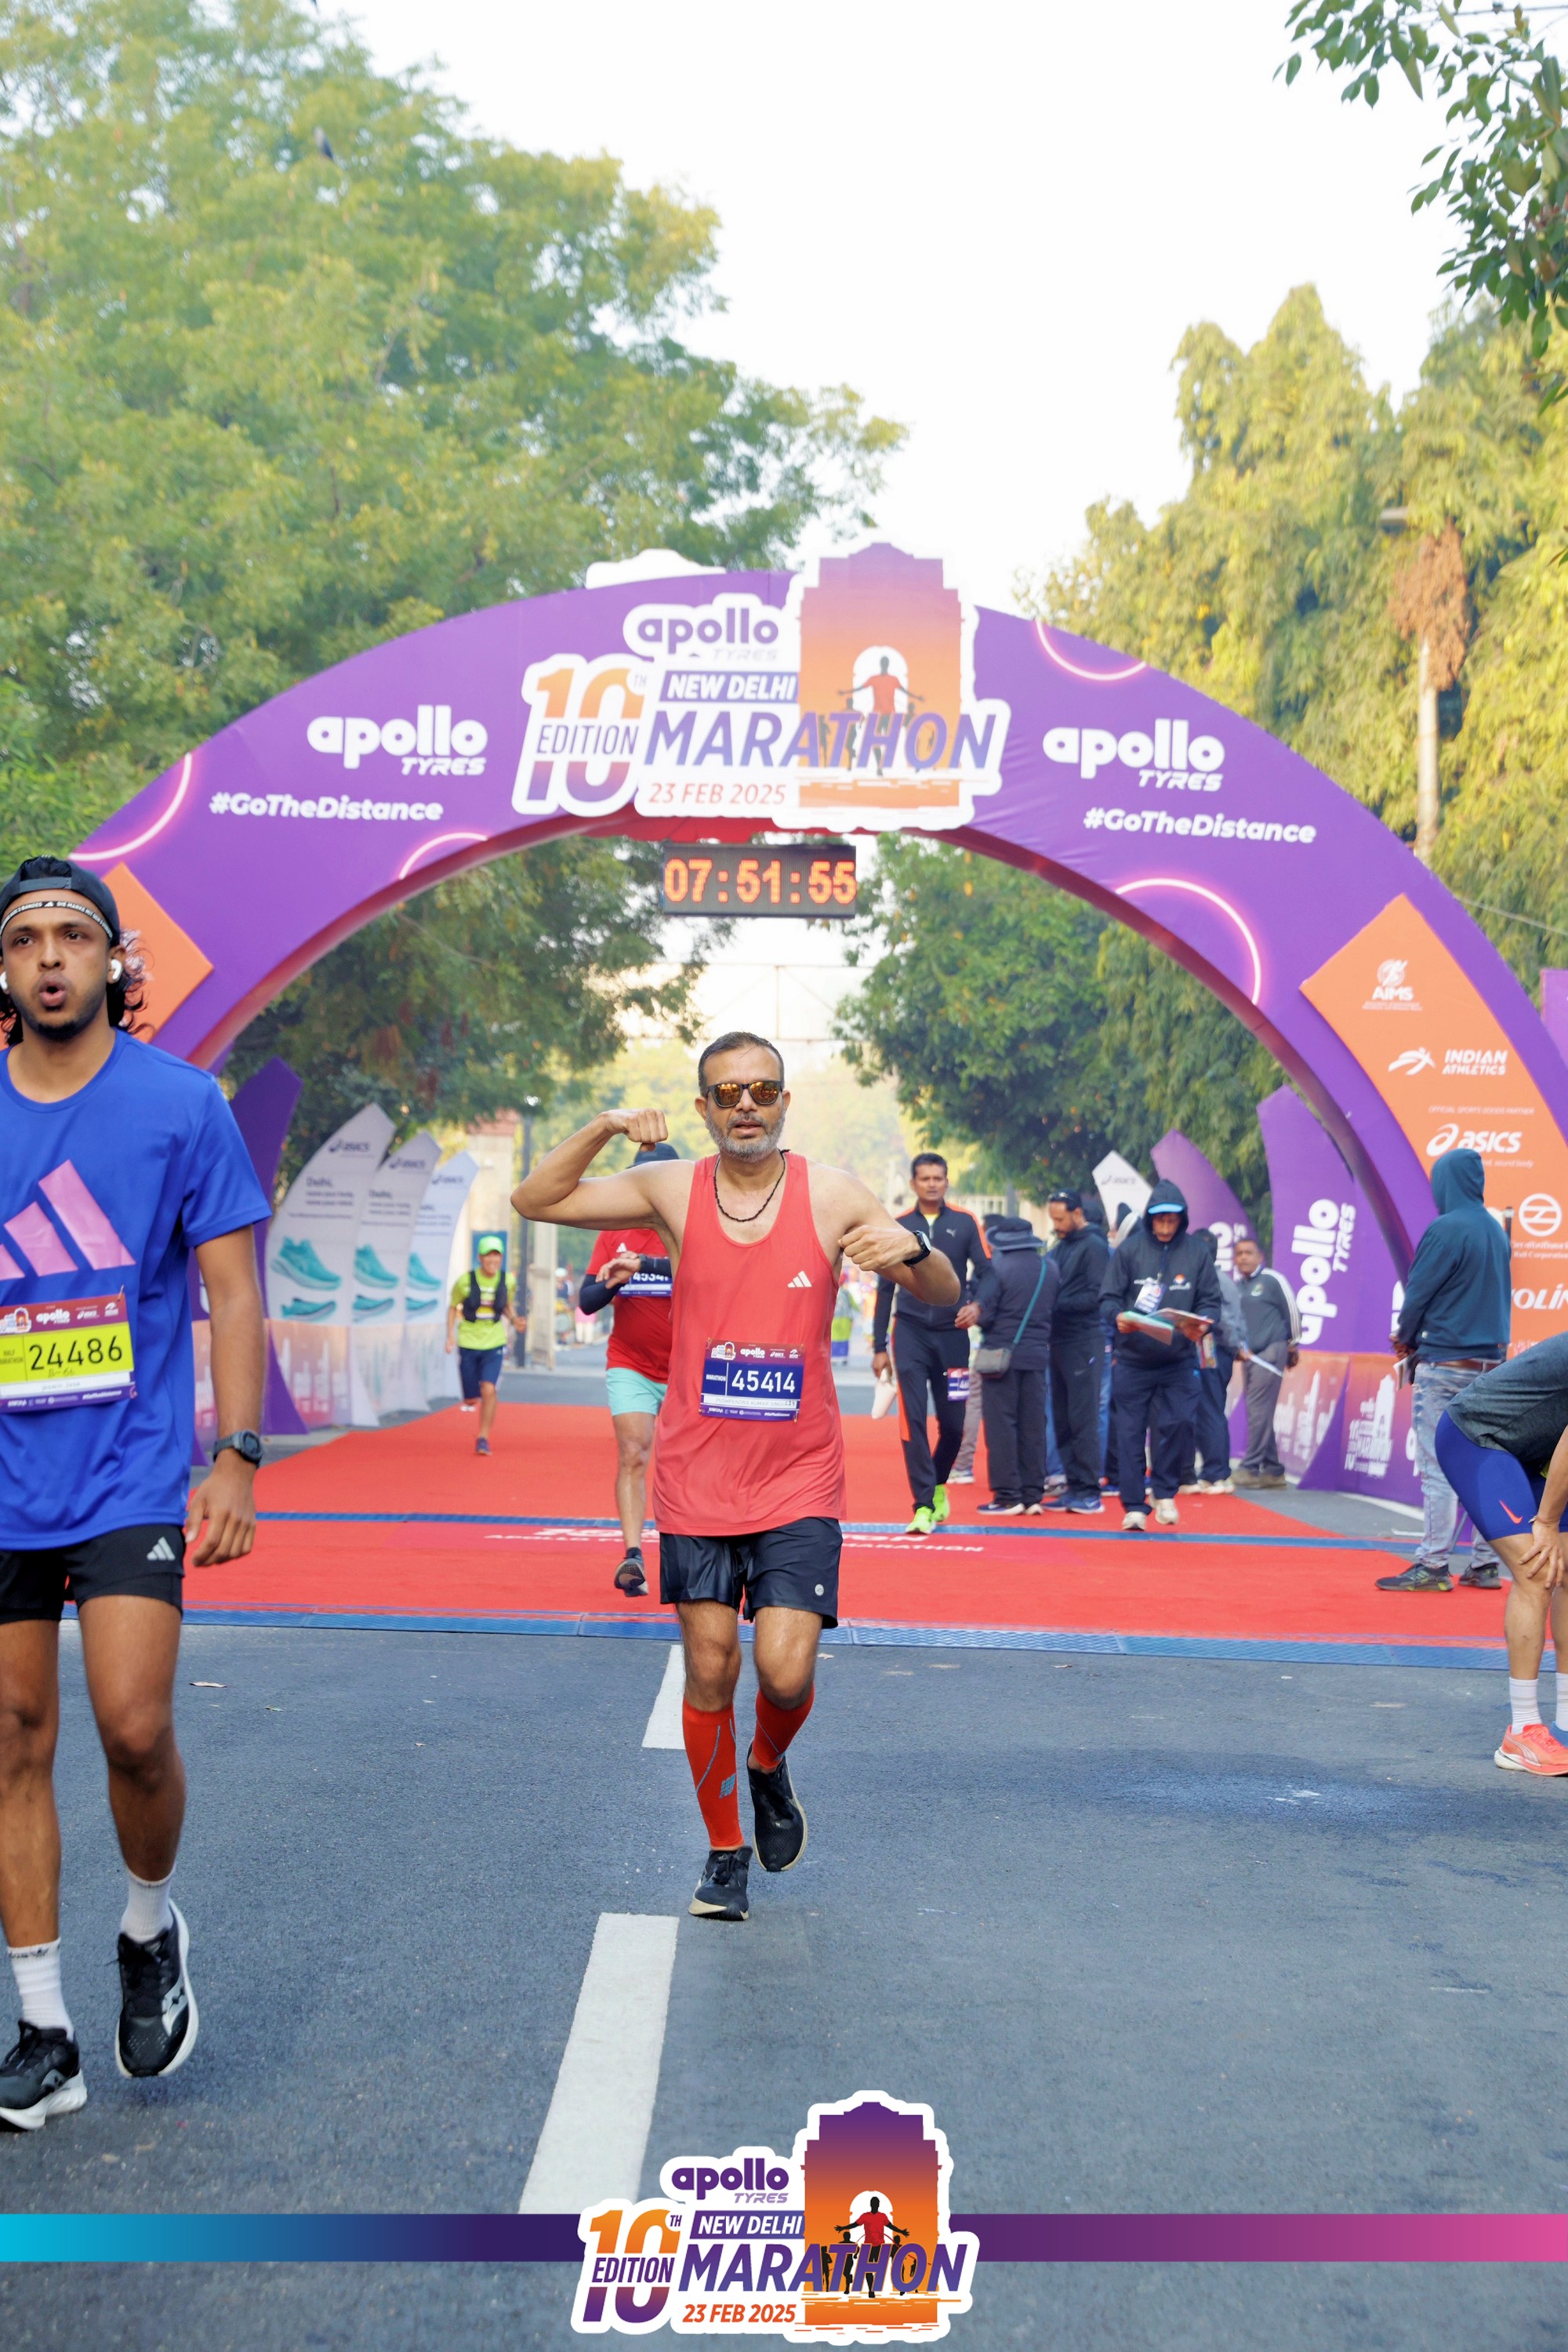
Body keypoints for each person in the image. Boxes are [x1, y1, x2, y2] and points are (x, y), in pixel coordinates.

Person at [512, 1030, 960, 1924]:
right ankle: (724, 1852)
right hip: (697, 1476)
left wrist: (910, 1251)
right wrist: (606, 1123)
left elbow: (942, 1294)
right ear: (704, 1108)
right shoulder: (669, 1188)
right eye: (727, 1093)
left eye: (761, 1090)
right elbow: (536, 1197)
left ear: (784, 1102)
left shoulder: (832, 1194)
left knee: (784, 1674)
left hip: (799, 1476)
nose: (745, 1105)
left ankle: (765, 1763)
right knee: (710, 1669)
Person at [0, 856, 269, 2129]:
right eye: (25, 939)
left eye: (72, 934)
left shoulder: (180, 1104)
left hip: (127, 1471)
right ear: (4, 970)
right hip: (4, 1478)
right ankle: (43, 2029)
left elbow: (232, 1289)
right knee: (13, 1735)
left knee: (132, 1727)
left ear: (114, 960)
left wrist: (238, 1455)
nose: (49, 957)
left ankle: (150, 1928)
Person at [1374, 1147, 1511, 1596]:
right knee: (1484, 1467)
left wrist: (1405, 1337)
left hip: (1446, 1364)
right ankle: (1485, 1564)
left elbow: (1418, 1293)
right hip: (1492, 1368)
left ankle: (1433, 1565)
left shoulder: (1446, 1228)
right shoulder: (1496, 1232)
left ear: (1445, 1183)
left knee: (1438, 1467)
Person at [1429, 1335, 1568, 1772]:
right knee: (1538, 1571)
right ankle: (1522, 1732)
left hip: (1536, 1450)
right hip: (1479, 1438)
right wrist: (1547, 1522)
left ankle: (1566, 1725)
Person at [579, 1140, 679, 1596]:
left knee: (683, 1465)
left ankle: (687, 1548)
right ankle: (633, 1554)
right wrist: (615, 1282)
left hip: (688, 1368)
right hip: (631, 1364)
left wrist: (646, 1265)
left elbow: (705, 1270)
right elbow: (586, 1301)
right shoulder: (613, 1233)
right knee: (634, 1453)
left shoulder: (688, 1229)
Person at [870, 1154, 985, 1536]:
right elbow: (885, 1288)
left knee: (954, 1425)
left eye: (938, 1178)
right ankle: (922, 1505)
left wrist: (977, 1306)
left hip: (954, 1336)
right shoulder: (898, 1225)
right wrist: (879, 1346)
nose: (932, 1184)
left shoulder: (965, 1222)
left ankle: (937, 1484)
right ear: (913, 1184)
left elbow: (987, 1273)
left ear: (947, 1182)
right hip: (911, 1334)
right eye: (925, 1178)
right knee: (914, 1419)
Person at [1100, 1181, 1221, 1531]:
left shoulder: (1197, 1252)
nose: (1166, 1226)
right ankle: (1134, 1506)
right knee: (1130, 1433)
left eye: (1172, 1220)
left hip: (1179, 1360)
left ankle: (1165, 1492)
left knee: (1179, 1423)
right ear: (1150, 1219)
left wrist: (1202, 1325)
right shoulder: (1129, 1250)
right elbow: (1108, 1298)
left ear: (1182, 1219)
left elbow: (1211, 1301)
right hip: (1133, 1359)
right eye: (1159, 1219)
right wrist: (1118, 1317)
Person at [974, 1216, 1058, 1515]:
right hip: (1036, 1355)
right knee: (1033, 1426)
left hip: (1001, 1356)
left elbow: (984, 1314)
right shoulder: (1050, 1268)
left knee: (1002, 1427)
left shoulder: (997, 1268)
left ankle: (1008, 1495)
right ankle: (1033, 1494)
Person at [1043, 1189, 1109, 1514]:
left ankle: (1089, 1490)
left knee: (1083, 1419)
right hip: (1058, 1341)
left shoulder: (1095, 1247)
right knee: (1063, 1418)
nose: (1056, 1225)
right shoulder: (1060, 1248)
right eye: (1053, 1219)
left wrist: (1054, 1305)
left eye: (1060, 1219)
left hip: (1083, 1341)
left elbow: (1098, 1296)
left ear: (1077, 1214)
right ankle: (1074, 1485)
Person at [1230, 1237, 1299, 1490]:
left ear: (1260, 1256)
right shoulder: (1238, 1287)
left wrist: (1293, 1344)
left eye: (1248, 1253)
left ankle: (1250, 1467)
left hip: (1272, 1349)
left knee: (1258, 1408)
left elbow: (1292, 1311)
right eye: (1239, 1254)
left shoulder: (1272, 1280)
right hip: (1250, 1354)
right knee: (1259, 1409)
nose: (1243, 1258)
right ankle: (1273, 1470)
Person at [445, 1235, 521, 1456]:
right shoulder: (465, 1282)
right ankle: (471, 1398)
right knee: (471, 1398)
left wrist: (515, 1319)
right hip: (469, 1341)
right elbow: (453, 1307)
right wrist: (450, 1336)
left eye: (496, 1255)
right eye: (488, 1255)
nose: (492, 1260)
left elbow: (506, 1304)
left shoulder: (508, 1281)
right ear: (480, 1257)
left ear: (501, 1258)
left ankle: (483, 1438)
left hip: (494, 1341)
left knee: (489, 1389)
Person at [1183, 1227, 1246, 1495]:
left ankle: (1217, 1472)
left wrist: (1232, 1346)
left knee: (1209, 1409)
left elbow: (1224, 1323)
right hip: (1219, 1350)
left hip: (1212, 1348)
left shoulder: (1212, 1280)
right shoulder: (1222, 1279)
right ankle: (1214, 1470)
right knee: (1211, 1408)